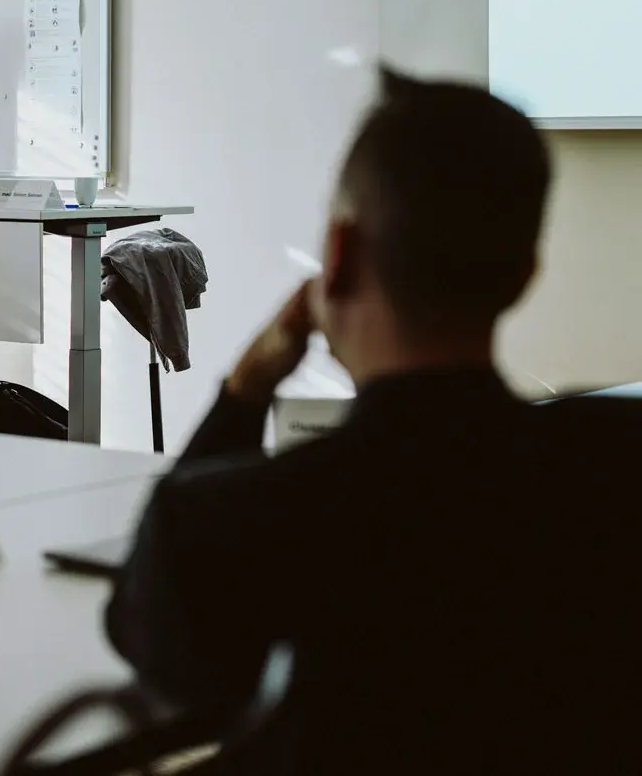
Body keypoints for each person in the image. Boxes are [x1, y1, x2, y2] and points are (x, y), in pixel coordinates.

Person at [105, 67, 642, 775]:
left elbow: (155, 642)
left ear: (339, 254)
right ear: (524, 275)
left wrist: (245, 388)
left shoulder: (232, 520)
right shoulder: (614, 464)